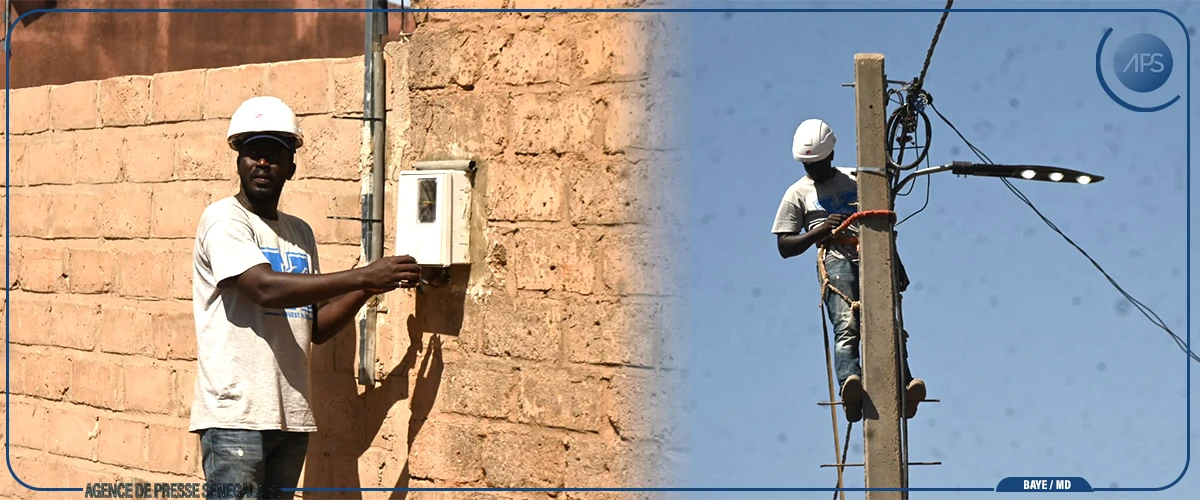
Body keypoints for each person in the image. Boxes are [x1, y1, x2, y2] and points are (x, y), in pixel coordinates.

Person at [189, 96, 423, 498]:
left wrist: (366, 287)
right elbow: (262, 288)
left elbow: (315, 327)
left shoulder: (300, 234)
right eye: (253, 154)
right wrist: (362, 273)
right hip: (235, 417)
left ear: (291, 167)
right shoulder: (224, 220)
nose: (262, 164)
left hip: (291, 416)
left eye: (274, 156)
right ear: (239, 162)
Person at [771, 118, 926, 423]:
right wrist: (817, 232)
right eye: (807, 164)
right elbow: (785, 245)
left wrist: (895, 262)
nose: (812, 170)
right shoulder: (798, 193)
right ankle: (850, 386)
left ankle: (904, 385)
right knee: (847, 324)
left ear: (830, 155)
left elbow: (882, 217)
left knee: (888, 325)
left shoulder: (857, 178)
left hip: (871, 253)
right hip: (835, 260)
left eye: (817, 163)